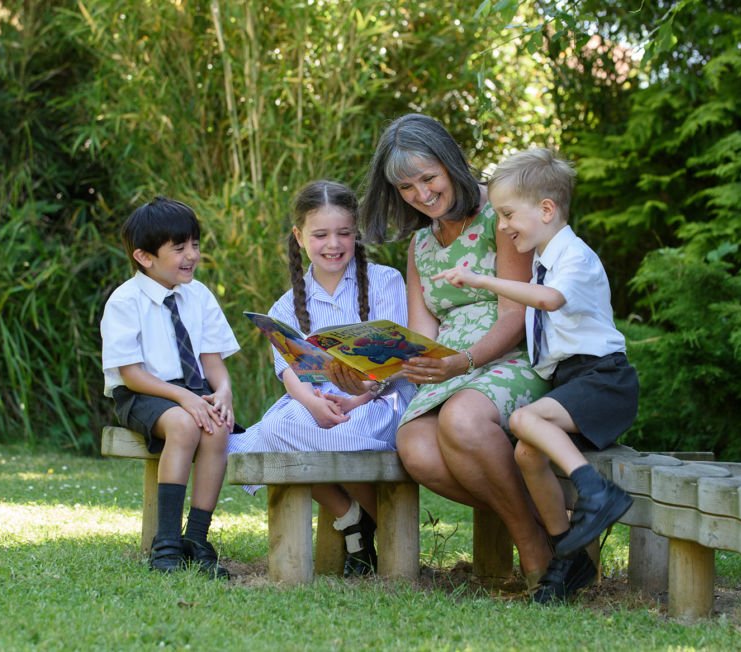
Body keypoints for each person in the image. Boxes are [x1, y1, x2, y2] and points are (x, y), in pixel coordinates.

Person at [353, 113, 554, 589]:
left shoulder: (498, 217)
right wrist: (368, 376)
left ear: (450, 163)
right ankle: (547, 524)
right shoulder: (421, 243)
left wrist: (461, 363)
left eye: (428, 178)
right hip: (451, 368)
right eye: (406, 188)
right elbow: (420, 336)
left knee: (460, 420)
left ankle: (532, 549)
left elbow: (515, 314)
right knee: (415, 447)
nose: (421, 195)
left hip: (511, 357)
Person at [432, 147, 639, 603]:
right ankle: (569, 557)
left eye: (508, 214)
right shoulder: (544, 255)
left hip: (604, 380)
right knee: (527, 453)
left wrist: (482, 281)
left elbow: (547, 301)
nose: (502, 226)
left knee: (524, 421)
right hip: (574, 381)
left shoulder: (573, 257)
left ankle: (595, 492)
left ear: (546, 209)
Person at [228, 180, 416, 576]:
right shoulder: (285, 305)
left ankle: (372, 522)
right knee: (277, 430)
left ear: (356, 234)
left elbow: (394, 360)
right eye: (321, 234)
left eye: (344, 233)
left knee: (344, 433)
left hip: (376, 399)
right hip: (316, 402)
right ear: (299, 237)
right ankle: (350, 516)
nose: (334, 244)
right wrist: (313, 402)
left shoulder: (385, 282)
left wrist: (356, 398)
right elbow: (290, 376)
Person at [100, 197, 239, 578]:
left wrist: (222, 392)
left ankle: (196, 538)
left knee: (217, 426)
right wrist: (183, 397)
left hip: (191, 391)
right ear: (145, 257)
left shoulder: (200, 295)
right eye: (178, 248)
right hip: (144, 394)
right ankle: (166, 543)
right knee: (184, 423)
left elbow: (213, 363)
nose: (191, 255)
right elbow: (131, 374)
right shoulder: (125, 301)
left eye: (194, 244)